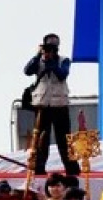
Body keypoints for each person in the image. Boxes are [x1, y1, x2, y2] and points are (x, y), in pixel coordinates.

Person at [22, 33, 79, 176]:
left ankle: (71, 168)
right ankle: (39, 167)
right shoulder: (38, 60)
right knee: (41, 139)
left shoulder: (63, 60)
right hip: (42, 105)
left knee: (64, 139)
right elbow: (27, 71)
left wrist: (51, 62)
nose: (51, 48)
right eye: (48, 45)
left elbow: (62, 74)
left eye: (54, 44)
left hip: (59, 105)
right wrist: (38, 55)